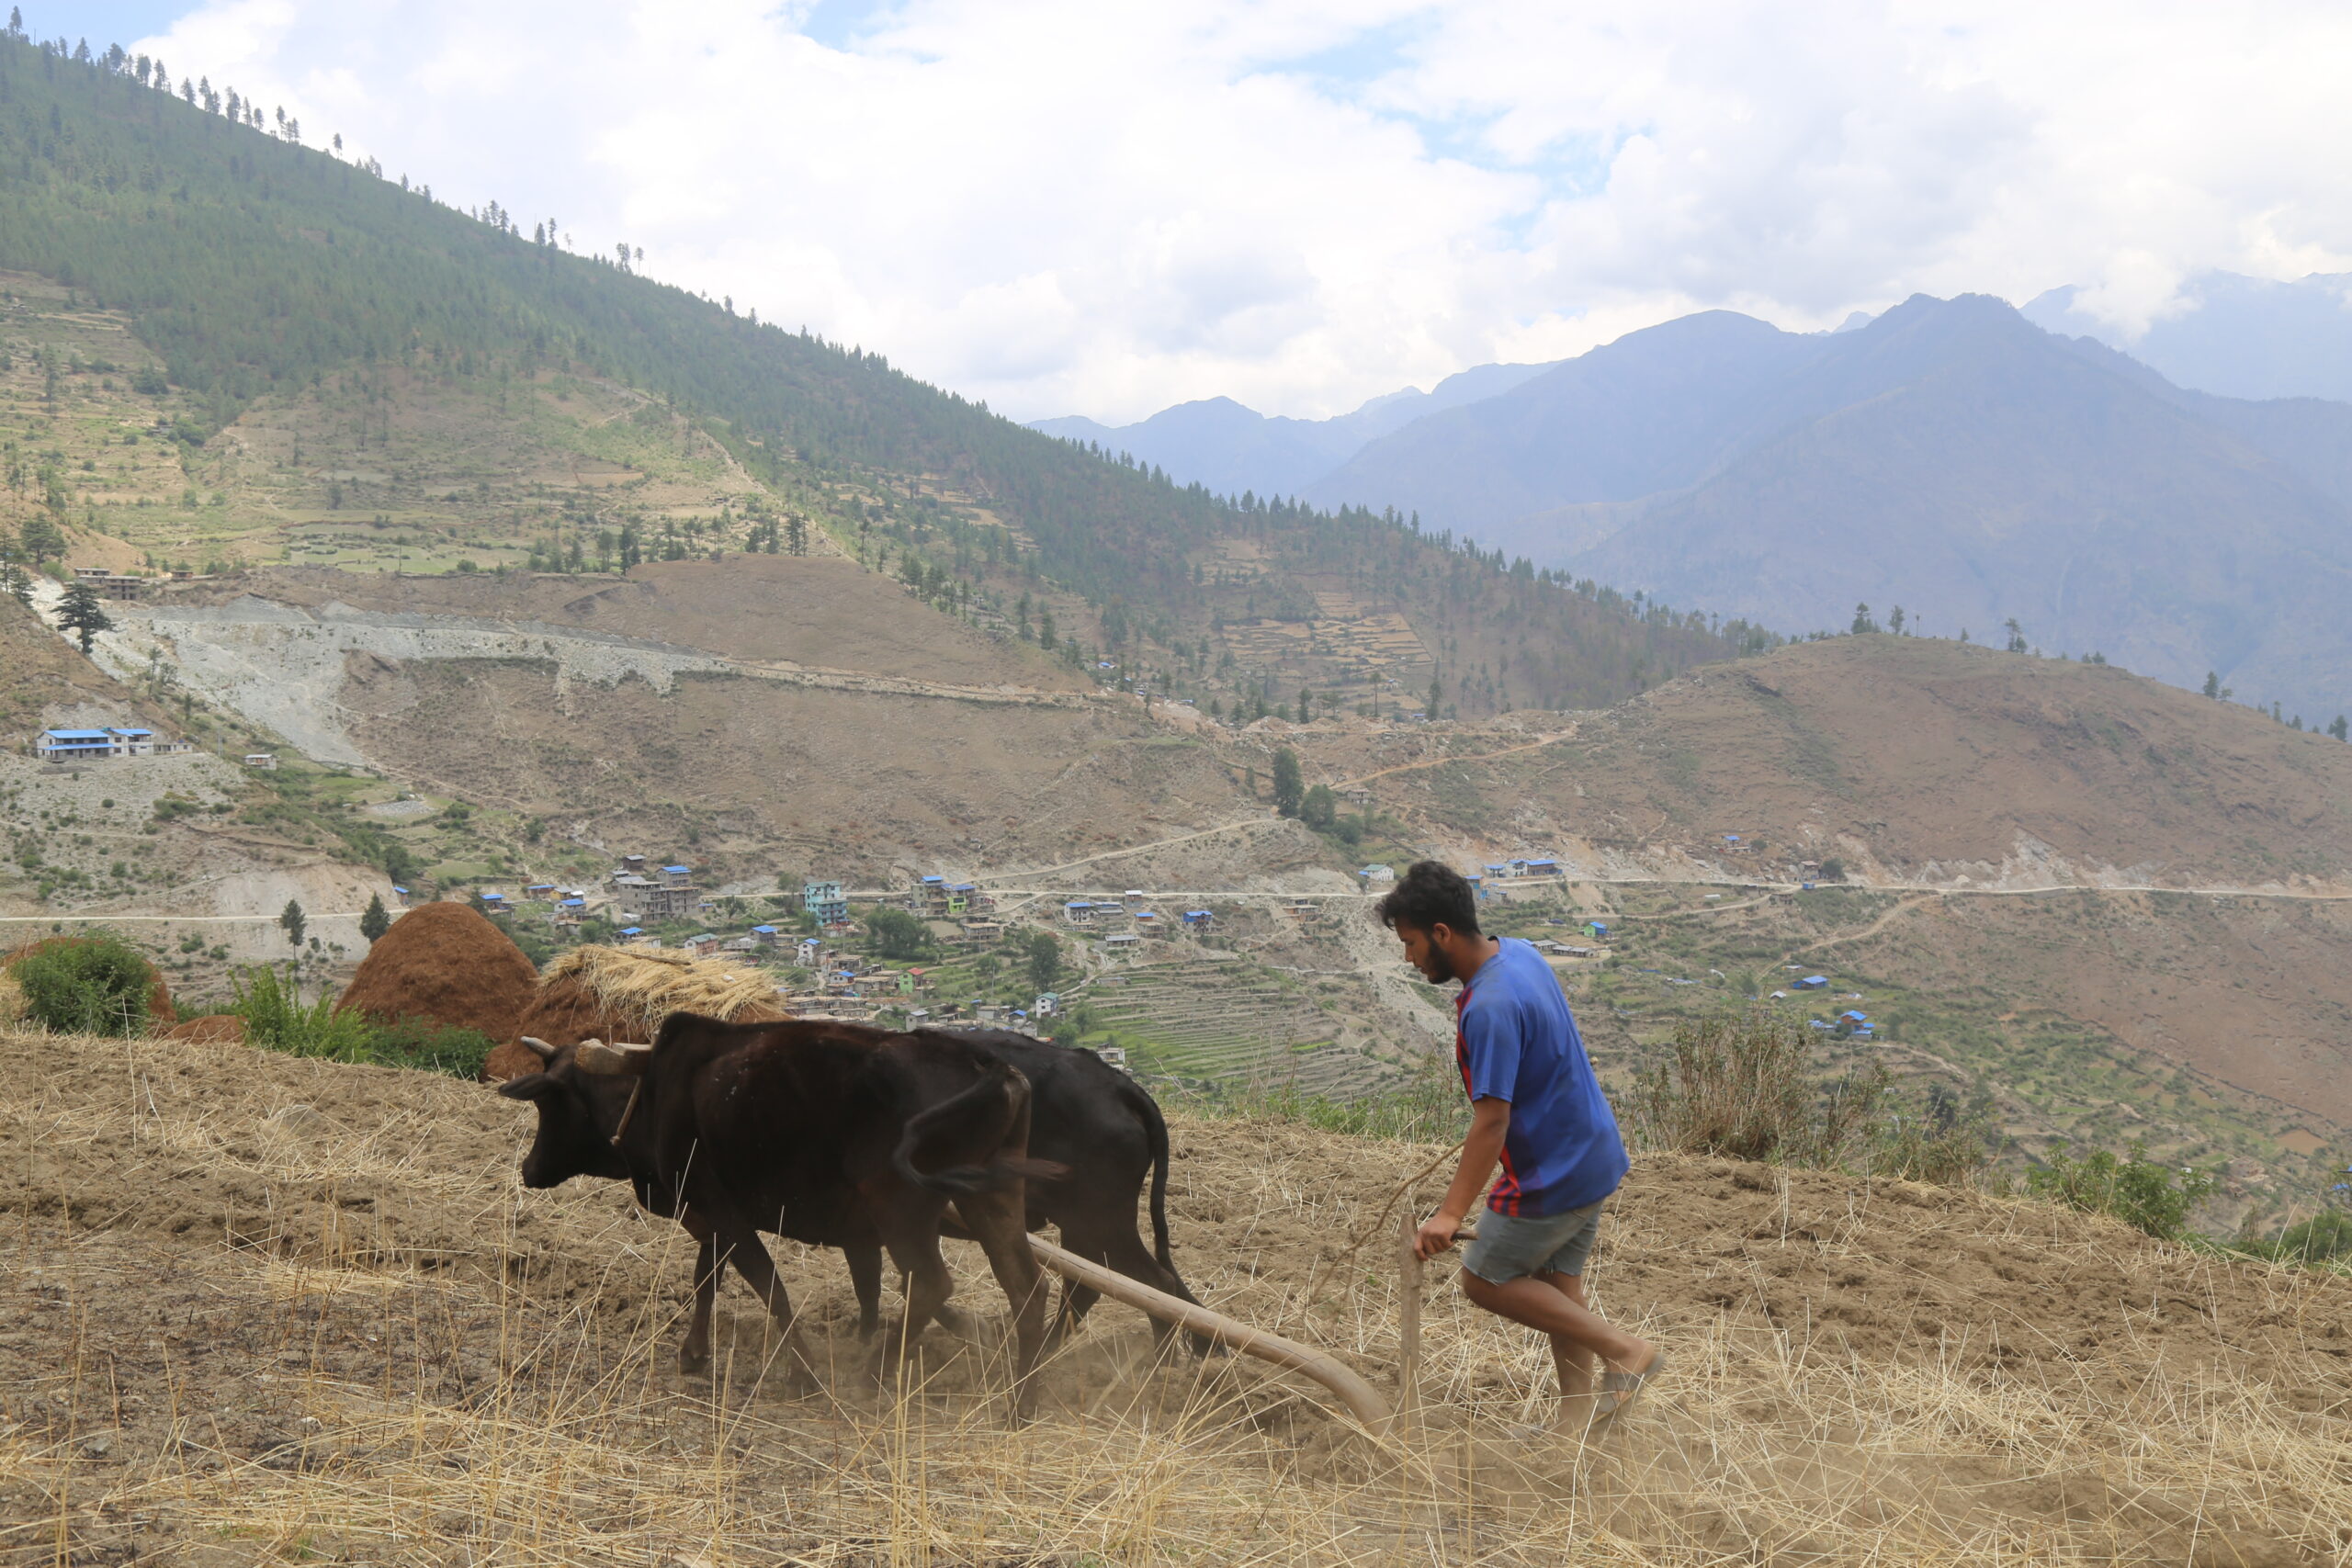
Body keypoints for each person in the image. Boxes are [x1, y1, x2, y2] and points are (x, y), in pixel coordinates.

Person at [1377, 860, 1663, 1429]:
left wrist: (1449, 1213)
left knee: (1485, 1278)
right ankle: (1575, 1424)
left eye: (1410, 942)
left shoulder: (1489, 1008)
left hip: (1553, 1171)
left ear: (1441, 934)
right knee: (1559, 1290)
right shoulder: (1521, 954)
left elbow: (1491, 1124)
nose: (1407, 957)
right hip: (1593, 1151)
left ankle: (1628, 1352)